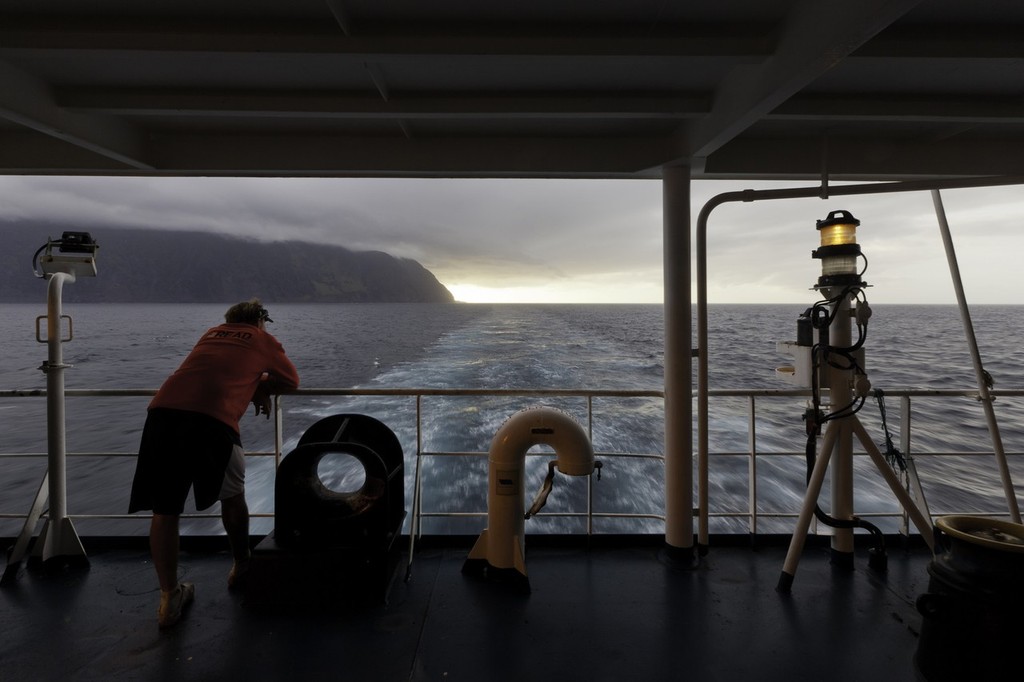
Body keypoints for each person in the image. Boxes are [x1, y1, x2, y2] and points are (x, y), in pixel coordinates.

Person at [128, 298, 300, 629]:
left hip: (163, 415)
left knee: (165, 509)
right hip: (212, 422)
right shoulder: (262, 338)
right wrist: (261, 386)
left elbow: (215, 370)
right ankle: (241, 565)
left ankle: (168, 598)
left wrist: (253, 386)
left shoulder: (211, 334)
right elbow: (292, 381)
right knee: (232, 497)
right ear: (260, 322)